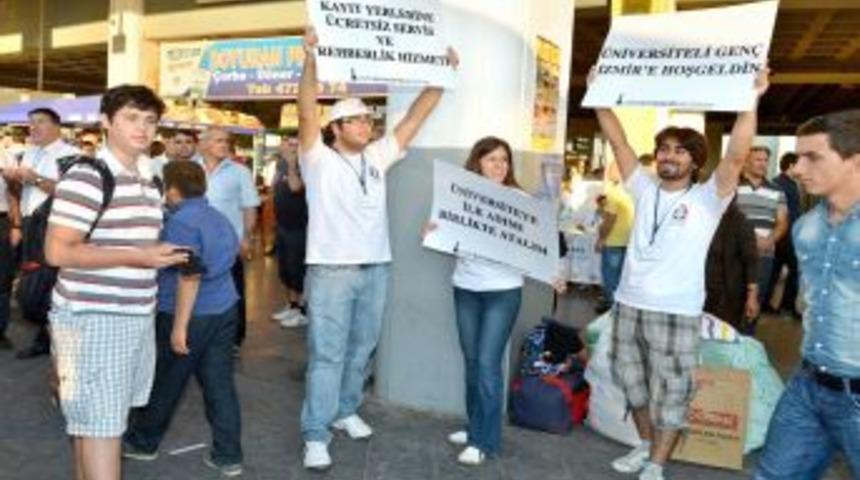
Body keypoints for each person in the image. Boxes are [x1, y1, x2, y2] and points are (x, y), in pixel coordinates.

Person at [591, 66, 768, 480]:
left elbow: (736, 155)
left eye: (680, 151)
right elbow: (617, 140)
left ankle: (656, 464)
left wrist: (752, 100)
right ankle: (644, 444)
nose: (669, 156)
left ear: (694, 160)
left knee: (672, 390)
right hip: (628, 305)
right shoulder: (642, 186)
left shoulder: (710, 198)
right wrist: (600, 93)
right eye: (665, 149)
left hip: (676, 311)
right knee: (632, 384)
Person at [297, 26, 457, 470]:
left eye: (369, 119)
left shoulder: (377, 156)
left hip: (376, 268)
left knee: (362, 347)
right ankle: (315, 432)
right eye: (358, 120)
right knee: (327, 354)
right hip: (332, 270)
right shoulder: (318, 158)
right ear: (336, 128)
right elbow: (306, 111)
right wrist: (310, 59)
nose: (368, 125)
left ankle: (346, 410)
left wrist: (441, 74)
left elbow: (413, 121)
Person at [44, 85, 187, 480]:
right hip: (93, 319)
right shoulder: (89, 176)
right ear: (106, 122)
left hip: (132, 314)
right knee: (103, 429)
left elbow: (123, 240)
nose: (142, 128)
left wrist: (156, 250)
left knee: (93, 423)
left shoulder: (147, 178)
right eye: (130, 117)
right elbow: (58, 252)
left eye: (150, 120)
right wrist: (139, 256)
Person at [429, 137, 565, 465]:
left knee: (488, 365)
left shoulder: (520, 200)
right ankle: (475, 424)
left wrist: (553, 274)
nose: (499, 165)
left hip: (502, 292)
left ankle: (484, 441)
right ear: (477, 163)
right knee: (473, 362)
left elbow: (539, 246)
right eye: (491, 159)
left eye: (504, 160)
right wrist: (433, 232)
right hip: (465, 287)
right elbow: (450, 239)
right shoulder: (460, 195)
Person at [753, 110, 860, 479]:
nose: (797, 168)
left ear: (855, 161)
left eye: (813, 156)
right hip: (809, 385)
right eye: (797, 157)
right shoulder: (805, 229)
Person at [123, 161, 243, 477]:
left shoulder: (181, 223)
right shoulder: (217, 217)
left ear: (172, 191)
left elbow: (189, 276)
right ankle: (228, 455)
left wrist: (179, 327)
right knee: (219, 384)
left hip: (190, 314)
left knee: (166, 381)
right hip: (224, 309)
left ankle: (143, 443)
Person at [12, 107, 78, 359]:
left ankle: (51, 339)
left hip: (54, 226)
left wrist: (36, 179)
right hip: (31, 224)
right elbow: (22, 191)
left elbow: (72, 192)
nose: (34, 127)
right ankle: (46, 334)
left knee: (49, 283)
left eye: (40, 122)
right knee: (35, 283)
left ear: (56, 126)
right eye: (31, 123)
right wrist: (14, 179)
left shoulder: (70, 155)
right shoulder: (29, 152)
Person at [197, 127, 260, 352]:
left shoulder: (239, 171)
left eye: (226, 141)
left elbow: (249, 207)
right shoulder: (191, 168)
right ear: (203, 144)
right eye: (218, 141)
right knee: (196, 290)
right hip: (197, 244)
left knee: (234, 292)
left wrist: (246, 239)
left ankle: (234, 338)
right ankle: (200, 334)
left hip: (228, 245)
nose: (224, 144)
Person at [736, 146, 789, 315]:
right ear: (746, 162)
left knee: (755, 303)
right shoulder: (733, 186)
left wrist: (769, 241)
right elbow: (724, 219)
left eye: (765, 160)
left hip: (764, 254)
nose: (763, 164)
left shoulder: (777, 191)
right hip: (735, 253)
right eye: (758, 159)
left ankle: (749, 340)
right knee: (732, 300)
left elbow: (782, 222)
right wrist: (750, 238)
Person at [703, 199, 760, 333]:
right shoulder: (701, 218)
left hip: (728, 296)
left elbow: (751, 260)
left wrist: (752, 297)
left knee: (723, 336)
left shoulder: (740, 222)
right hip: (699, 292)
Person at [270, 135, 309, 328]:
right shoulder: (281, 165)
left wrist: (293, 164)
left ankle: (303, 310)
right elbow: (274, 189)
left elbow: (295, 187)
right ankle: (292, 306)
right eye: (288, 143)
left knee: (297, 269)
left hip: (299, 226)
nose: (291, 147)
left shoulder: (305, 165)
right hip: (283, 225)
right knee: (285, 269)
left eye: (295, 144)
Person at [594, 161, 634, 313]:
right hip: (629, 240)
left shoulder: (614, 193)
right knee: (622, 277)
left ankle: (611, 308)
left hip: (614, 241)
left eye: (612, 169)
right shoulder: (632, 191)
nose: (608, 172)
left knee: (610, 276)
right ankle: (616, 306)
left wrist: (601, 239)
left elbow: (609, 220)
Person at [768, 152, 802, 318]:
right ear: (791, 166)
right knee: (796, 269)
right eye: (799, 164)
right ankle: (788, 305)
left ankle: (768, 304)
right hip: (786, 234)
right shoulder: (781, 184)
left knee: (774, 269)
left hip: (785, 233)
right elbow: (783, 213)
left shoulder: (785, 183)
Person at [0, 147, 22, 349]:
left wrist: (16, 225)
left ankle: (0, 332)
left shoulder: (5, 155)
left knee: (3, 280)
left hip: (1, 222)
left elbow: (14, 195)